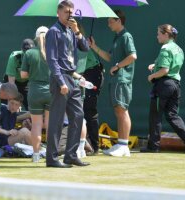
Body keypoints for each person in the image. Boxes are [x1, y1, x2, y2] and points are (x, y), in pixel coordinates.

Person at [45, 0, 90, 168]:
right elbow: (52, 60)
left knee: (78, 116)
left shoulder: (71, 31)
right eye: (66, 12)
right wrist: (60, 81)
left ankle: (71, 155)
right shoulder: (53, 31)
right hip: (61, 79)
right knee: (56, 120)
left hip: (73, 78)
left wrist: (77, 31)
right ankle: (52, 158)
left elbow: (85, 48)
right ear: (59, 13)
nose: (69, 15)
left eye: (71, 13)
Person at [89, 10, 137, 157]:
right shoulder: (118, 37)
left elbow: (133, 56)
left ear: (119, 21)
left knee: (122, 111)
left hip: (122, 79)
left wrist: (117, 66)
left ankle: (124, 146)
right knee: (119, 111)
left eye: (111, 21)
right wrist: (94, 47)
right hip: (116, 80)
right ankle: (121, 145)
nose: (108, 24)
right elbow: (109, 57)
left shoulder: (126, 36)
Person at [140, 24, 185, 153]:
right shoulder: (179, 49)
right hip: (176, 85)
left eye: (159, 33)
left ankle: (153, 146)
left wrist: (152, 76)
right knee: (172, 115)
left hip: (164, 85)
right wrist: (155, 65)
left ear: (166, 34)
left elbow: (165, 70)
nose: (157, 36)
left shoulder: (165, 48)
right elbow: (171, 66)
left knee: (155, 116)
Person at [20, 26, 50, 163]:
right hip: (51, 91)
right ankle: (51, 154)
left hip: (34, 91)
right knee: (50, 124)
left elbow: (23, 75)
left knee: (36, 125)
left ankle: (36, 155)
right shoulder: (54, 53)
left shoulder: (29, 53)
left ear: (36, 38)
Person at [76, 23, 104, 155]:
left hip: (92, 74)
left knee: (89, 110)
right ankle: (85, 144)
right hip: (84, 74)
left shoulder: (79, 43)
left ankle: (94, 146)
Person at [4, 38, 35, 110]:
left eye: (30, 51)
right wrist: (15, 99)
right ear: (21, 49)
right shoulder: (14, 57)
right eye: (26, 51)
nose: (28, 54)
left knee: (30, 106)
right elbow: (11, 82)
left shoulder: (37, 58)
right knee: (9, 106)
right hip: (12, 82)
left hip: (27, 83)